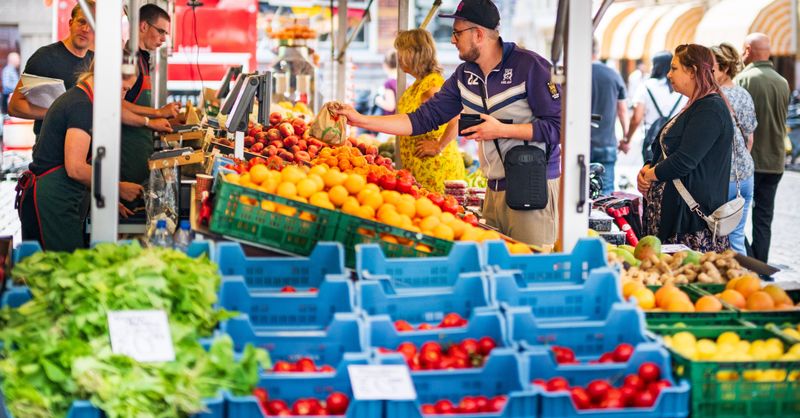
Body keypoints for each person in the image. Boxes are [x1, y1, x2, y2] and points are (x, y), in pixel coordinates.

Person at [333, 0, 562, 247]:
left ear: (478, 34)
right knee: (496, 266)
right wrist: (361, 119)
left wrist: (502, 130)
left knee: (529, 267)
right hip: (492, 191)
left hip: (532, 186)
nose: (453, 40)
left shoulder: (530, 67)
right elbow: (421, 119)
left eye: (457, 33)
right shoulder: (464, 76)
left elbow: (560, 128)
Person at [15, 61, 144, 252]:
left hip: (56, 198)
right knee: (59, 271)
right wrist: (115, 188)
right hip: (51, 201)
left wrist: (107, 196)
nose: (122, 96)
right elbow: (75, 168)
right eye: (124, 89)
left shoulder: (80, 99)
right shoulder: (81, 106)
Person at [637, 44, 734, 252]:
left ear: (692, 71)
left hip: (689, 222)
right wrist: (646, 168)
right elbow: (664, 149)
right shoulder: (694, 105)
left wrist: (650, 175)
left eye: (674, 68)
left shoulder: (710, 108)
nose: (669, 74)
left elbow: (684, 161)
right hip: (673, 215)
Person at [734, 33, 791, 263]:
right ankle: (761, 261)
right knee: (764, 216)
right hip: (775, 160)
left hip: (749, 161)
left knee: (736, 217)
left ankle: (750, 258)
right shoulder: (782, 81)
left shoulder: (742, 80)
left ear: (747, 50)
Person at [389, 29, 466, 193]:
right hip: (422, 169)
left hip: (434, 170)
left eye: (400, 52)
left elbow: (457, 117)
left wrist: (439, 146)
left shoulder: (432, 84)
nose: (398, 57)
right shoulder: (418, 84)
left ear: (412, 54)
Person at [120, 3, 179, 205]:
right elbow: (115, 106)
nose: (163, 39)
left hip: (139, 153)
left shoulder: (143, 59)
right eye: (161, 31)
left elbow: (129, 102)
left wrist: (157, 115)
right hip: (125, 155)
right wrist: (151, 118)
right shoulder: (128, 60)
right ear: (144, 26)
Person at [8, 2, 95, 138]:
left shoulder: (95, 62)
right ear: (71, 23)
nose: (85, 29)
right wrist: (58, 112)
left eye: (92, 25)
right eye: (81, 22)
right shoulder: (45, 57)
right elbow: (15, 106)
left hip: (83, 147)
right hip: (49, 151)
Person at [711, 43, 757, 255]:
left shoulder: (710, 98)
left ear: (725, 68)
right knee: (736, 238)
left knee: (715, 239)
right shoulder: (744, 94)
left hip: (720, 178)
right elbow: (749, 137)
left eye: (711, 68)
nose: (707, 73)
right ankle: (743, 283)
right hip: (744, 175)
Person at [623, 51, 687, 162]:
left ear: (655, 66)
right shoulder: (682, 87)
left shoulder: (646, 86)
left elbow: (636, 118)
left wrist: (627, 139)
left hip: (653, 141)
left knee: (650, 174)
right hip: (678, 140)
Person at [590, 38, 627, 195]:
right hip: (606, 143)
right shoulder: (613, 75)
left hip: (577, 146)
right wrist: (626, 138)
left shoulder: (574, 73)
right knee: (605, 192)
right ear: (597, 51)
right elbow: (622, 110)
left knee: (577, 193)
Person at [373, 51, 398, 115]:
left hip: (390, 120)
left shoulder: (389, 83)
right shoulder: (401, 82)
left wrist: (377, 100)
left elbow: (390, 106)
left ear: (385, 65)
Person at [2, 52, 20, 116]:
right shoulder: (8, 70)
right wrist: (19, 88)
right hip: (8, 97)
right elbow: (6, 85)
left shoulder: (12, 70)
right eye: (18, 59)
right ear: (13, 60)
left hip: (11, 96)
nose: (19, 61)